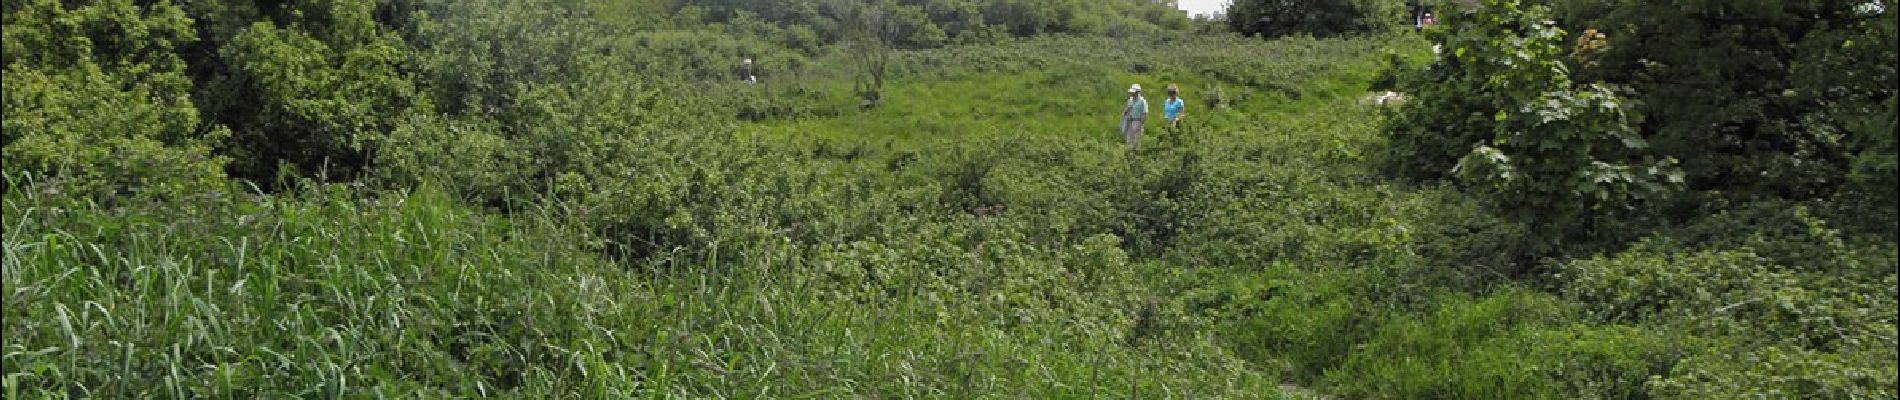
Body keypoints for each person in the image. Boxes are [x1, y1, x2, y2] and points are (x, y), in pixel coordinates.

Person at [1121, 83, 1149, 150]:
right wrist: (1125, 112)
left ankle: (1136, 154)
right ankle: (1129, 153)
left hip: (1137, 121)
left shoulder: (1142, 101)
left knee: (1136, 140)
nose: (1132, 94)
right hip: (1129, 121)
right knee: (1129, 139)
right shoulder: (1130, 100)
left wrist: (1140, 125)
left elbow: (1145, 114)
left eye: (1134, 92)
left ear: (1138, 92)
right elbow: (1127, 109)